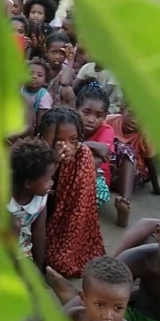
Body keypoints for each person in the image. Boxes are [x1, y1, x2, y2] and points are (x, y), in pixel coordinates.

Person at [36, 108, 106, 278]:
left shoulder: (83, 157)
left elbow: (77, 211)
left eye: (73, 140)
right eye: (58, 141)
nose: (66, 147)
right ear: (42, 138)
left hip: (66, 225)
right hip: (37, 215)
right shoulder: (35, 154)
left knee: (60, 261)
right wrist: (52, 163)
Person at [57, 256, 137, 321]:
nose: (107, 316)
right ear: (83, 299)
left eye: (118, 308)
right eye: (100, 305)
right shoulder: (72, 317)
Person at [105, 104, 160, 220]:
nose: (134, 121)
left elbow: (150, 163)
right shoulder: (109, 121)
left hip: (130, 177)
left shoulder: (146, 134)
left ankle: (124, 202)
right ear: (122, 110)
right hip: (108, 172)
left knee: (126, 150)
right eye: (131, 113)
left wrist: (157, 188)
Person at [76, 84, 124, 222]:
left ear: (105, 116)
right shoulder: (71, 124)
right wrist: (89, 145)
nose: (91, 119)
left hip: (94, 178)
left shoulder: (106, 130)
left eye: (98, 115)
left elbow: (96, 160)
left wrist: (76, 146)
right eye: (86, 112)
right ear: (76, 109)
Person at [8, 138, 56, 270]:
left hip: (22, 249)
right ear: (28, 183)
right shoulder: (3, 199)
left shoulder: (40, 198)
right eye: (47, 180)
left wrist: (38, 267)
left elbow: (39, 232)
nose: (51, 183)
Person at [22, 58, 53, 126]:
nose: (34, 77)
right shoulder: (21, 89)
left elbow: (41, 119)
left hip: (33, 124)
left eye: (39, 75)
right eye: (30, 73)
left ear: (45, 81)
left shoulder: (44, 95)